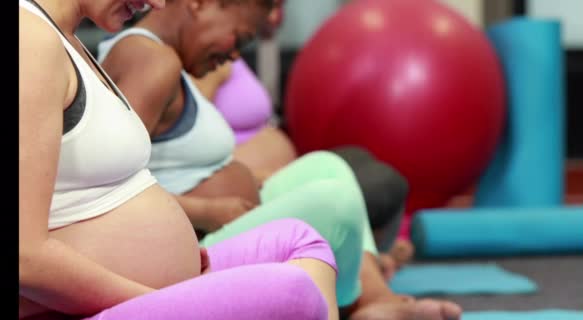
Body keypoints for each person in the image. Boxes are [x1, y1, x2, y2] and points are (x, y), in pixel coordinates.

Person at [96, 0, 463, 319]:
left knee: (327, 167)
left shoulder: (165, 59)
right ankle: (363, 304)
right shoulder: (150, 61)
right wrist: (206, 210)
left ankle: (373, 299)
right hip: (195, 244)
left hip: (216, 218)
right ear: (201, 3)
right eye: (238, 37)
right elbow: (111, 186)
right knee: (333, 199)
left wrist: (246, 179)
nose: (235, 55)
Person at [19, 0, 341, 319]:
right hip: (115, 299)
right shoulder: (30, 38)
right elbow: (24, 256)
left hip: (143, 283)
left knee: (301, 241)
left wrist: (177, 260)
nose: (157, 3)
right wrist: (164, 300)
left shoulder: (64, 37)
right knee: (294, 293)